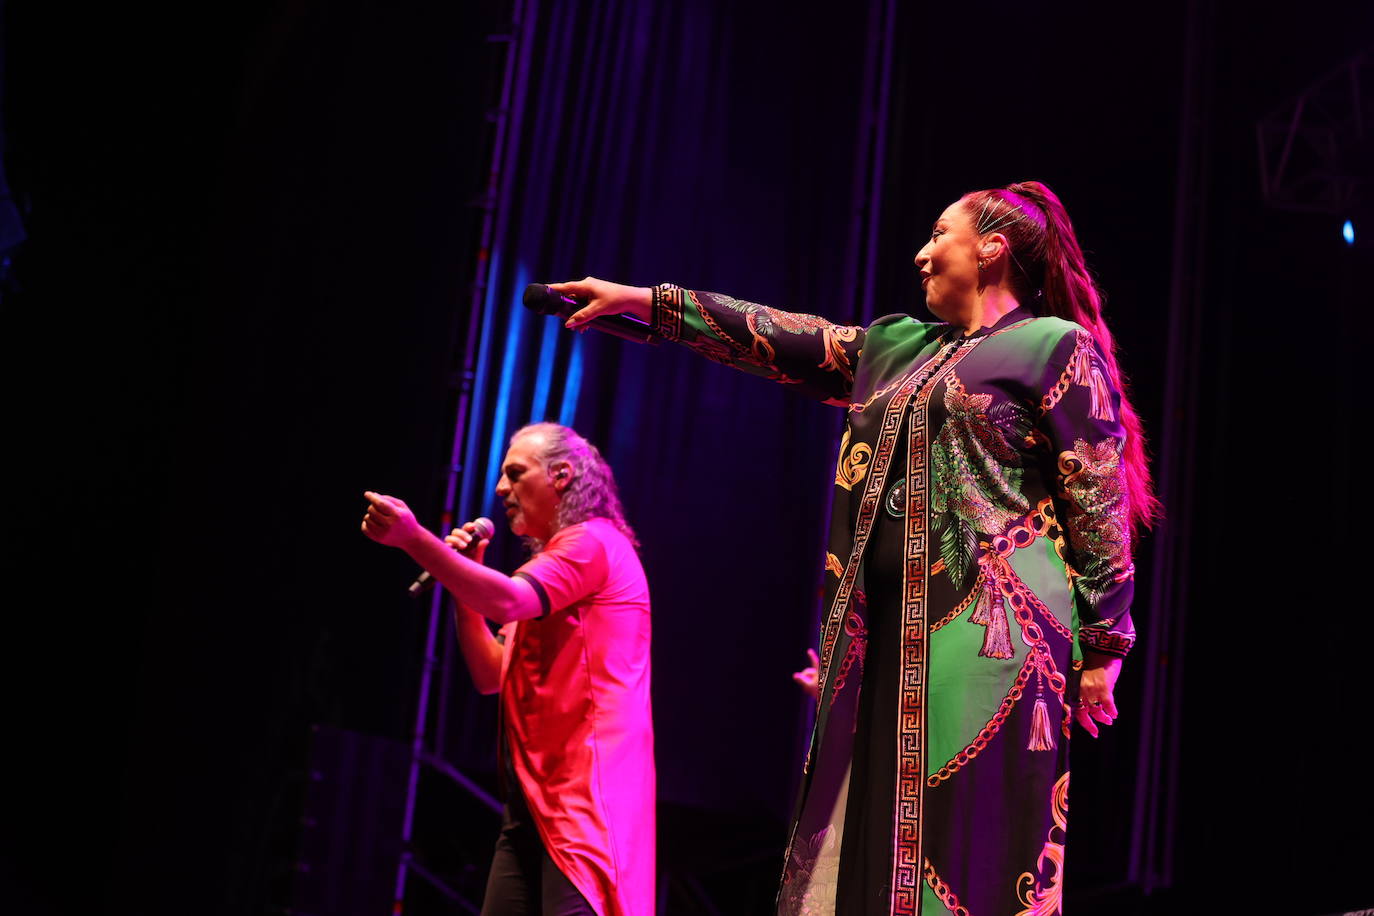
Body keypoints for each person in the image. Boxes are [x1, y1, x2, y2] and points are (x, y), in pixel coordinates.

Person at [549, 180, 1157, 915]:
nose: (922, 253)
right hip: (879, 637)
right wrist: (645, 304)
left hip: (994, 640)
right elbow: (775, 335)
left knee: (963, 841)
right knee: (867, 828)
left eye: (941, 235)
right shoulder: (898, 349)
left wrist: (1103, 649)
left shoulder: (1052, 346)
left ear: (992, 248)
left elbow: (1097, 497)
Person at [361, 422, 654, 916]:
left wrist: (415, 539)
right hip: (533, 808)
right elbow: (489, 673)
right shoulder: (554, 568)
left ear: (561, 476)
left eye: (515, 473)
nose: (501, 488)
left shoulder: (591, 544)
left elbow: (507, 598)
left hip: (586, 807)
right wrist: (465, 575)